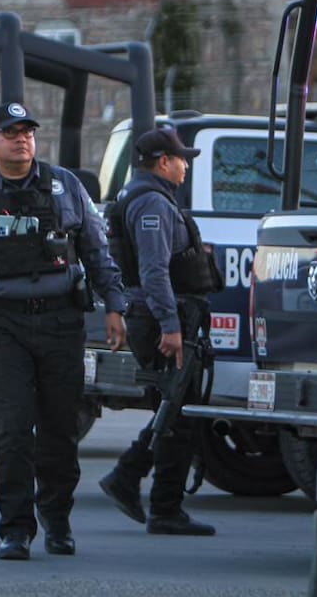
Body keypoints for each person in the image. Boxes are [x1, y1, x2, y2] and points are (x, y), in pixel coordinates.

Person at [0, 101, 127, 561]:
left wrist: (115, 305)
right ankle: (16, 528)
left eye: (28, 132)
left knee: (60, 429)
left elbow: (97, 251)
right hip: (2, 324)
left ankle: (57, 520)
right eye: (11, 132)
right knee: (12, 429)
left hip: (61, 322)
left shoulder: (66, 187)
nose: (22, 139)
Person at [98, 127, 220, 536]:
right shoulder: (151, 203)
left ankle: (147, 492)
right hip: (160, 319)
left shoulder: (148, 197)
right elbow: (153, 270)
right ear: (163, 162)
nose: (186, 166)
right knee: (176, 412)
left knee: (175, 411)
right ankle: (150, 496)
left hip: (161, 316)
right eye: (181, 159)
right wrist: (170, 326)